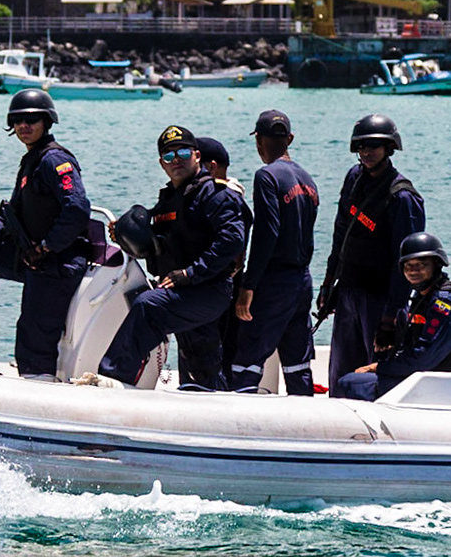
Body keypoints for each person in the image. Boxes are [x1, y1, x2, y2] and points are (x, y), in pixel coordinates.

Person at [96, 125, 247, 388]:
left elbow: (233, 240)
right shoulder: (168, 200)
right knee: (201, 363)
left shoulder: (215, 195)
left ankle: (113, 379)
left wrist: (191, 273)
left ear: (197, 156)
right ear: (161, 163)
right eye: (168, 156)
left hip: (207, 289)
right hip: (179, 289)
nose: (176, 160)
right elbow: (153, 240)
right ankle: (213, 396)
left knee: (148, 307)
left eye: (183, 153)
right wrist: (123, 234)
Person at [0, 88, 91, 378]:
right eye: (17, 121)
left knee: (32, 336)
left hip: (58, 262)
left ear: (47, 122)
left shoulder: (54, 160)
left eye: (31, 120)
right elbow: (10, 218)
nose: (23, 126)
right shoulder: (31, 160)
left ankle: (38, 382)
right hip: (32, 256)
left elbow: (78, 208)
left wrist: (47, 246)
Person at [316, 113, 425, 387]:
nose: (366, 152)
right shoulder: (354, 179)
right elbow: (340, 234)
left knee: (376, 377)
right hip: (349, 291)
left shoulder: (402, 198)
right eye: (361, 146)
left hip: (381, 299)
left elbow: (408, 265)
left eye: (374, 146)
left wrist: (391, 317)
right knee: (340, 375)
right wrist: (328, 284)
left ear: (389, 148)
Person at [330, 232, 451, 401]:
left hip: (447, 385)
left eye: (421, 265)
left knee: (350, 383)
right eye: (408, 266)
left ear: (437, 265)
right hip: (428, 377)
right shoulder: (423, 298)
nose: (413, 271)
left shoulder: (445, 303)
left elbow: (423, 358)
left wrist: (378, 367)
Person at [229, 109, 319, 394]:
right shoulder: (307, 179)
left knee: (247, 359)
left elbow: (267, 233)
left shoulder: (266, 176)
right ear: (289, 139)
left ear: (258, 141)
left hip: (274, 282)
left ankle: (239, 413)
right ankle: (303, 411)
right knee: (297, 362)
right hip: (302, 281)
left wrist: (248, 286)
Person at [196, 136, 248, 373]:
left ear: (211, 167)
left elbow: (236, 253)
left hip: (220, 286)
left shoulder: (225, 200)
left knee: (217, 354)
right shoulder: (226, 198)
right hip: (221, 285)